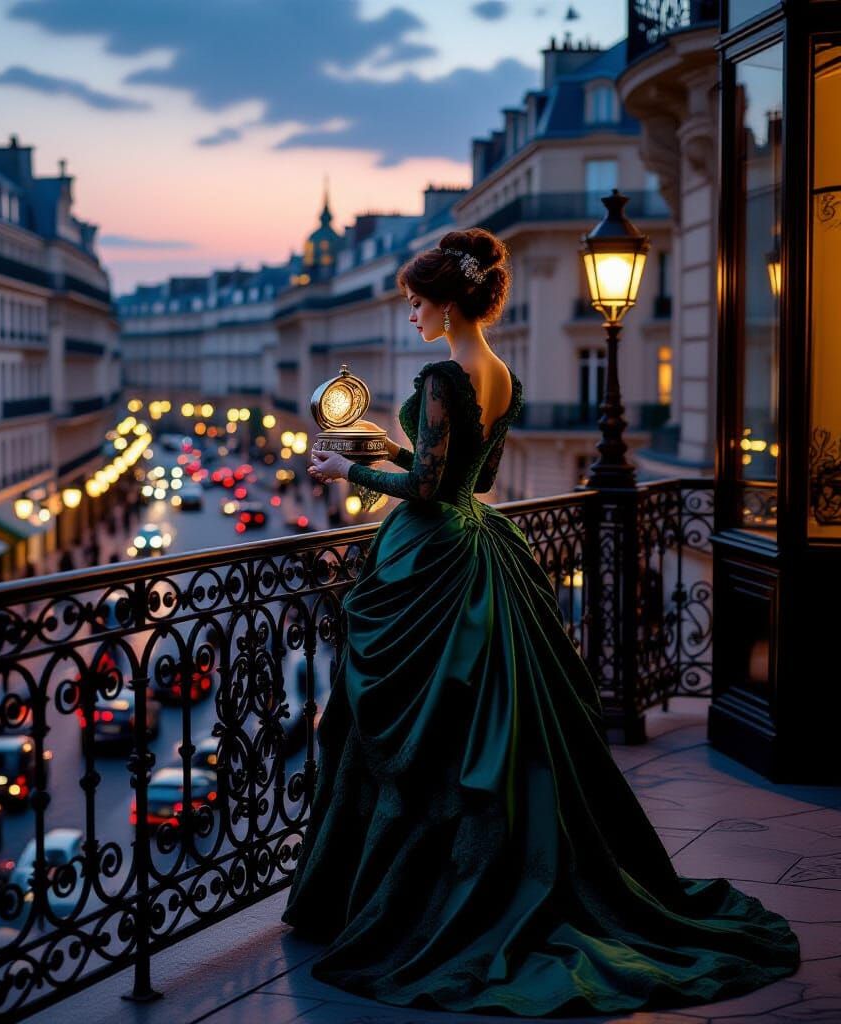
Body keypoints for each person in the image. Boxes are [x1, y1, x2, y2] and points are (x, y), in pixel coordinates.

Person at [283, 228, 799, 1017]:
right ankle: (485, 878)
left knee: (423, 741)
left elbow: (426, 486)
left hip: (430, 561)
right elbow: (467, 473)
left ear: (449, 302)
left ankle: (419, 903)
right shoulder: (501, 376)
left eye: (417, 302)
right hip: (480, 548)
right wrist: (386, 443)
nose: (411, 315)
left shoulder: (442, 373)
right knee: (484, 735)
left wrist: (342, 466)